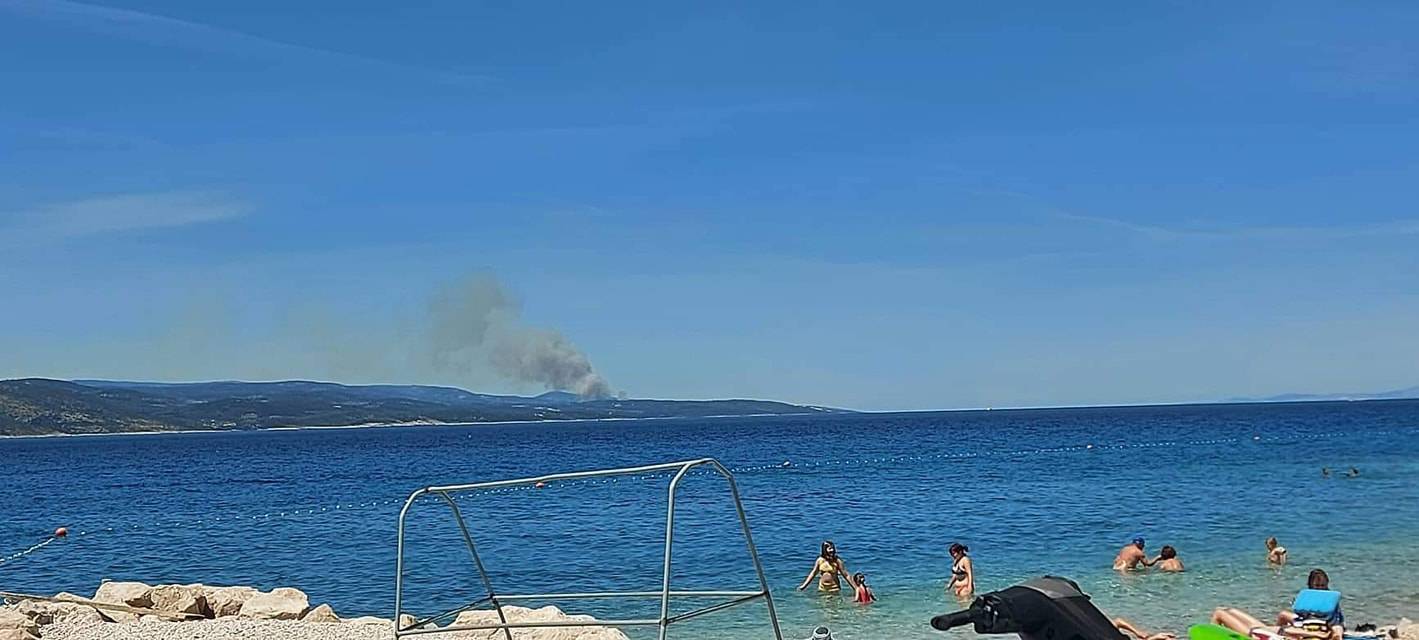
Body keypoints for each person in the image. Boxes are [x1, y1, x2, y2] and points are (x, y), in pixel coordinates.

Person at [1212, 569, 1344, 640]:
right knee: (1223, 610)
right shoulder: (1308, 606)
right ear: (1310, 587)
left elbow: (1336, 629)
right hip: (1283, 632)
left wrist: (1320, 634)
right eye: (1317, 586)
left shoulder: (1330, 610)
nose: (1320, 589)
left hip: (1275, 635)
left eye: (1323, 586)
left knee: (1220, 613)